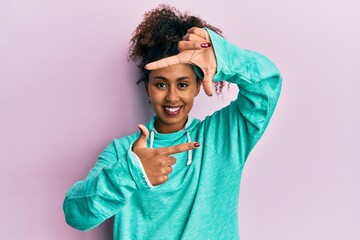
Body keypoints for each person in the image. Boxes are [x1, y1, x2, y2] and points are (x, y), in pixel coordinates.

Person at [63, 4, 282, 240]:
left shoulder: (223, 137)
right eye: (160, 84)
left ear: (198, 86)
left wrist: (222, 56)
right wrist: (129, 173)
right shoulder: (123, 152)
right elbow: (76, 215)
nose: (171, 96)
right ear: (147, 87)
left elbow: (267, 85)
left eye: (183, 84)